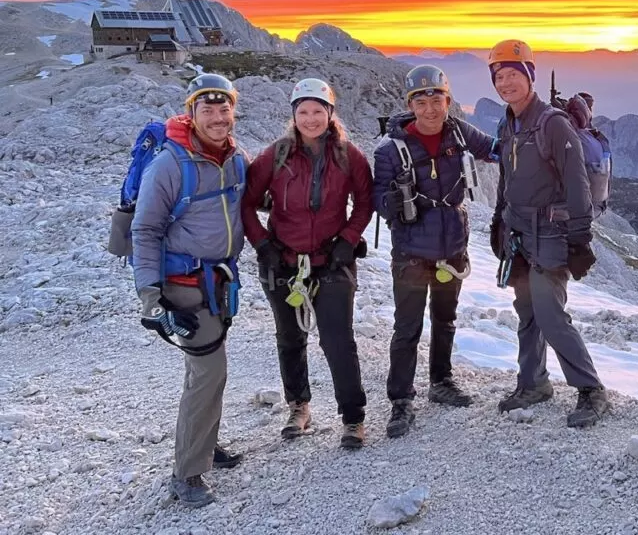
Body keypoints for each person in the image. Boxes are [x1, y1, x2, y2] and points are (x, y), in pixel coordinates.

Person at [132, 73, 248, 507]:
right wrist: (149, 296)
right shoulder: (169, 164)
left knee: (204, 373)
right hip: (182, 286)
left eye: (224, 109)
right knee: (209, 371)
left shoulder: (235, 158)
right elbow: (145, 231)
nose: (218, 118)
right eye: (208, 110)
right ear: (191, 113)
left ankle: (202, 444)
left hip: (217, 282)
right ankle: (187, 474)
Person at [242, 78, 373, 449]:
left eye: (318, 111)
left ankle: (353, 418)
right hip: (282, 261)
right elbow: (247, 202)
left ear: (331, 114)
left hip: (331, 261)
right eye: (304, 111)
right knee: (290, 338)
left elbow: (365, 202)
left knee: (337, 341)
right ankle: (299, 406)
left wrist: (348, 241)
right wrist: (262, 244)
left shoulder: (349, 155)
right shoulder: (276, 154)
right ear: (294, 115)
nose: (311, 119)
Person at [486, 40, 609, 428]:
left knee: (550, 313)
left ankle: (591, 389)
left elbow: (578, 184)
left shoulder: (553, 123)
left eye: (514, 75)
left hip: (552, 234)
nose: (506, 83)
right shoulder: (509, 122)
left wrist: (580, 237)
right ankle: (533, 383)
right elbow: (506, 178)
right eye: (499, 76)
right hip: (519, 233)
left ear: (530, 76)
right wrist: (497, 222)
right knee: (526, 311)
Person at [373, 65, 498, 438]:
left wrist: (535, 139)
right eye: (421, 100)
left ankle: (441, 382)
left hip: (452, 248)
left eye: (437, 99)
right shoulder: (389, 150)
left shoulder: (459, 132)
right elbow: (378, 201)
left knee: (445, 320)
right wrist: (392, 200)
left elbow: (494, 150)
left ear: (448, 100)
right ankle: (400, 400)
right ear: (410, 104)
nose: (430, 108)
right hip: (411, 252)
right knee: (407, 328)